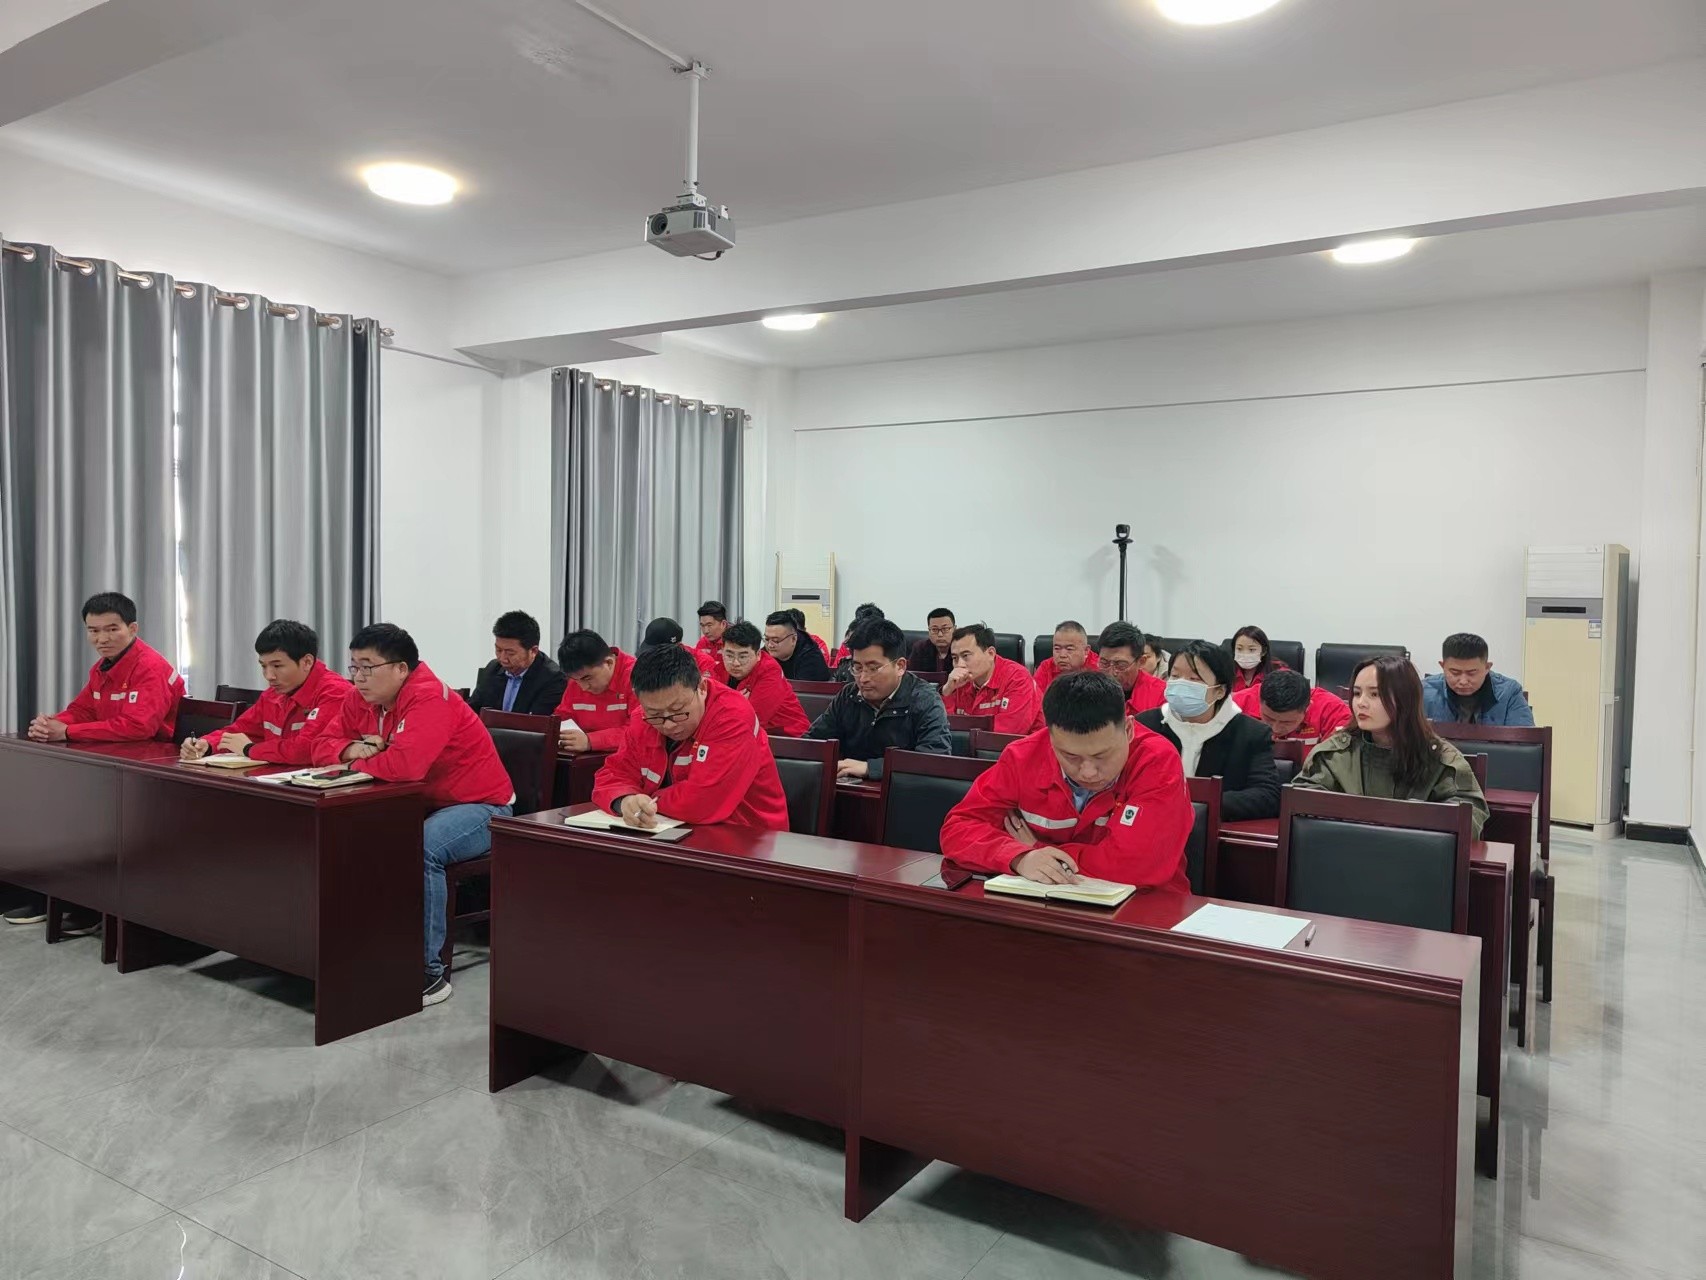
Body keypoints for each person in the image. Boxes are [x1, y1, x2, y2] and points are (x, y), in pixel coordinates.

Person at [312, 623, 514, 1006]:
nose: (358, 677)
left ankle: (429, 974)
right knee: (347, 835)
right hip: (419, 803)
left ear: (401, 668)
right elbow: (320, 744)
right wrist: (353, 749)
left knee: (422, 848)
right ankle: (366, 950)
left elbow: (405, 767)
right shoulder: (361, 698)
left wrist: (351, 763)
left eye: (368, 667)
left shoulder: (428, 697)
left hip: (480, 806)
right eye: (354, 666)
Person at [8, 591, 187, 932]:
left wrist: (67, 732)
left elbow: (139, 727)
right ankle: (54, 892)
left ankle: (90, 902)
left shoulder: (150, 667)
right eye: (93, 630)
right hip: (107, 763)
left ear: (132, 628)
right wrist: (51, 724)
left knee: (80, 819)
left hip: (148, 775)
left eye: (111, 629)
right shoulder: (102, 667)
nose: (102, 638)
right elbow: (82, 709)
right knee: (45, 806)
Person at [940, 671, 1192, 891]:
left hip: (1145, 910)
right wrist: (1019, 857)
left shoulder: (1157, 761)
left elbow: (1137, 867)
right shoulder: (1024, 756)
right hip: (1049, 905)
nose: (1088, 772)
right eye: (1070, 756)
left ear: (1128, 730)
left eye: (1101, 756)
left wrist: (1038, 848)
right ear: (1049, 737)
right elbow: (958, 830)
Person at [593, 643, 789, 830]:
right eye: (655, 714)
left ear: (701, 688)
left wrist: (649, 800)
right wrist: (625, 801)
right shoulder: (643, 718)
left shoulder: (732, 716)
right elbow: (613, 774)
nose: (668, 724)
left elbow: (703, 801)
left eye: (678, 710)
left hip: (748, 834)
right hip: (670, 828)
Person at [1295, 654, 1488, 837]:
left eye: (1375, 694)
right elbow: (1301, 802)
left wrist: (1416, 823)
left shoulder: (1439, 757)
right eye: (1357, 693)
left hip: (1413, 853)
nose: (1361, 703)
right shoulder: (1334, 753)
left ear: (1405, 699)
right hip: (1346, 847)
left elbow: (1470, 816)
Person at [1134, 639, 1279, 821]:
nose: (1181, 684)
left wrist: (1199, 805)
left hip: (1214, 829)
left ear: (1220, 690)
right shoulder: (1145, 725)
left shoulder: (1251, 734)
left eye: (1194, 679)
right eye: (1175, 676)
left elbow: (1268, 795)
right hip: (1149, 823)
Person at [180, 619, 352, 764]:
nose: (269, 676)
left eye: (277, 666)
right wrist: (206, 744)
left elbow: (306, 749)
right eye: (263, 666)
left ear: (307, 662)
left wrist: (249, 749)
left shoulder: (335, 693)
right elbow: (240, 731)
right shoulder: (273, 693)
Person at [806, 615, 951, 780]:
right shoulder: (849, 695)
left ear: (900, 666)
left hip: (901, 792)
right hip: (848, 788)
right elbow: (812, 743)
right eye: (857, 668)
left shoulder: (925, 700)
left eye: (873, 668)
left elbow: (934, 760)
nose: (863, 678)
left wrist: (871, 768)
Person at [941, 623, 1042, 733]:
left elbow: (1007, 733)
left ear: (990, 653)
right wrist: (947, 691)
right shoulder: (959, 681)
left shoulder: (1018, 678)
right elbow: (942, 727)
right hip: (970, 743)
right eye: (955, 658)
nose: (959, 665)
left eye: (966, 656)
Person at [1422, 633, 1536, 727]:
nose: (1463, 681)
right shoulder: (1423, 691)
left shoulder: (1509, 692)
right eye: (1455, 672)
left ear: (1487, 667)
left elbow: (1524, 741)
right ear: (1442, 666)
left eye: (1472, 673)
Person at [467, 611, 568, 715]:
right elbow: (471, 710)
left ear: (533, 651)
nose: (503, 659)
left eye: (510, 653)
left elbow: (537, 721)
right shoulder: (493, 668)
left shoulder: (553, 678)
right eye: (498, 650)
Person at [554, 629, 638, 752]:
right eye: (575, 680)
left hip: (629, 756)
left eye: (587, 678)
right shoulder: (577, 679)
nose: (583, 687)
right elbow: (562, 718)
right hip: (586, 758)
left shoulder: (636, 677)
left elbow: (640, 731)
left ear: (609, 663)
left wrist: (590, 741)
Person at [721, 621, 810, 735]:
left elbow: (753, 721)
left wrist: (732, 703)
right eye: (729, 655)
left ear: (758, 654)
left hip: (790, 739)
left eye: (743, 657)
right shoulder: (719, 668)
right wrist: (736, 702)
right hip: (752, 737)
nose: (735, 663)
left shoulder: (770, 671)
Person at [1232, 668, 1350, 747]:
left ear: (1307, 708)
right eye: (1269, 718)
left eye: (1287, 722)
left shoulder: (1333, 710)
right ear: (1259, 700)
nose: (1276, 729)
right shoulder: (1236, 704)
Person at [1095, 622, 1167, 713]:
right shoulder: (1089, 690)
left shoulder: (1162, 695)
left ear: (1141, 661)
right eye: (1104, 663)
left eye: (1120, 665)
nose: (1111, 672)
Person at [1033, 620, 1101, 691]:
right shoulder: (1046, 667)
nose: (1062, 655)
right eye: (1057, 648)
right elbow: (1035, 695)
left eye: (1069, 649)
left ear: (1086, 651)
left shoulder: (1099, 668)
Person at [763, 610, 832, 681]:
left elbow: (802, 687)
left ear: (793, 639)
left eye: (775, 640)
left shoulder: (810, 658)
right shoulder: (764, 653)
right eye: (767, 639)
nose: (770, 645)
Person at [641, 616, 718, 674]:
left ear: (677, 645)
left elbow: (709, 689)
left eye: (659, 652)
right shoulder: (646, 659)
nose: (653, 657)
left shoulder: (702, 662)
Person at [1230, 625, 1286, 693]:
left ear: (1263, 651)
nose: (1245, 654)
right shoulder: (1226, 669)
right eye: (1239, 649)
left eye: (1251, 649)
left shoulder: (1279, 671)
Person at [907, 607, 957, 674]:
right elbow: (910, 675)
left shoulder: (961, 648)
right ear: (929, 631)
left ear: (954, 629)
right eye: (934, 629)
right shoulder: (920, 648)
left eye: (945, 629)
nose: (940, 634)